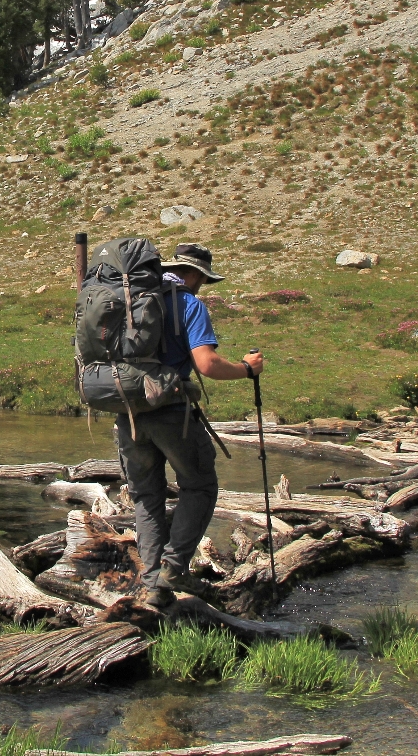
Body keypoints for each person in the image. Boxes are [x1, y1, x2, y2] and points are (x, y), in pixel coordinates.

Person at [118, 242, 265, 608]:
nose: (202, 286)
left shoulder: (127, 301)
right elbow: (207, 365)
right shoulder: (188, 303)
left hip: (127, 412)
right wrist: (247, 369)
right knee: (199, 485)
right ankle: (172, 568)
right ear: (195, 274)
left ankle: (154, 587)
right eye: (202, 279)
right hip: (171, 412)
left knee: (147, 497)